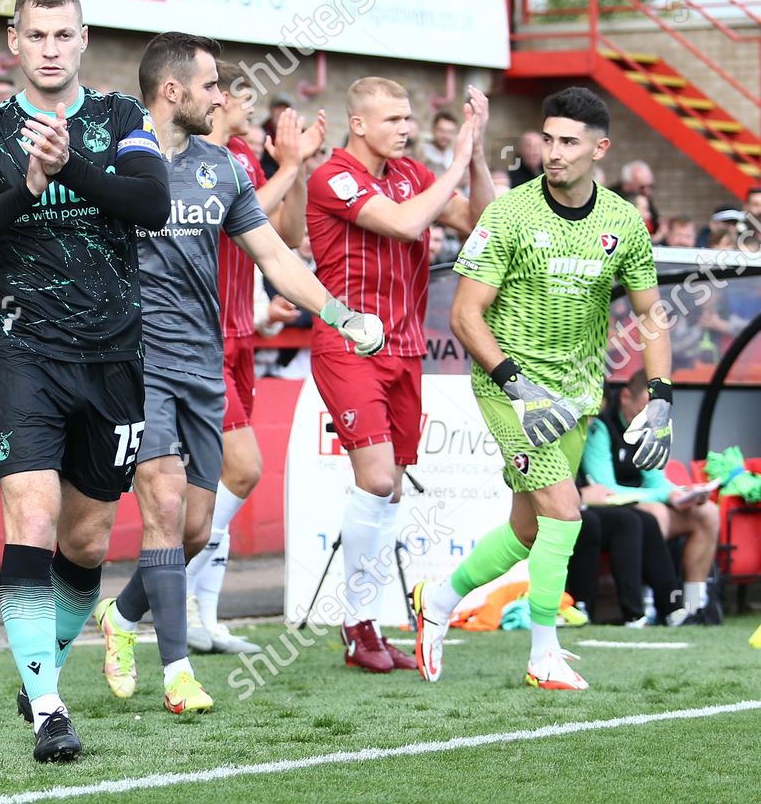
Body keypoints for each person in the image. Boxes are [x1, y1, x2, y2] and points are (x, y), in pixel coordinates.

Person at [96, 33, 383, 716]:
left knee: (196, 528)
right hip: (139, 366)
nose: (220, 97)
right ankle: (178, 673)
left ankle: (121, 614)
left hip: (205, 364)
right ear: (173, 92)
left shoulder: (222, 167)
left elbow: (277, 260)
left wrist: (340, 315)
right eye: (209, 87)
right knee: (163, 509)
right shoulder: (110, 163)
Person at [0, 0, 171, 763]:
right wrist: (24, 187)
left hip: (113, 355)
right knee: (29, 521)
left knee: (89, 542)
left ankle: (44, 671)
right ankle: (47, 708)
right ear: (15, 40)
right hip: (25, 350)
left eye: (63, 35)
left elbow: (151, 205)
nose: (50, 49)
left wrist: (66, 170)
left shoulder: (120, 118)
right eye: (37, 36)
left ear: (83, 39)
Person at [416, 87, 671, 691]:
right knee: (565, 510)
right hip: (510, 386)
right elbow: (465, 317)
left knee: (531, 531)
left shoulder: (623, 221)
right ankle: (543, 654)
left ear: (599, 148)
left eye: (569, 143)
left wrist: (660, 394)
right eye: (548, 139)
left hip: (578, 393)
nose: (553, 153)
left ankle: (439, 597)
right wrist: (518, 385)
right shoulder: (509, 213)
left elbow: (652, 314)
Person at [307, 78, 494, 674]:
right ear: (358, 124)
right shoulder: (332, 176)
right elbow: (407, 224)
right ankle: (359, 622)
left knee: (389, 489)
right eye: (393, 119)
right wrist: (456, 161)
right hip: (348, 343)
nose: (405, 128)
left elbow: (482, 221)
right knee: (378, 475)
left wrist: (480, 154)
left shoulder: (414, 172)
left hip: (407, 350)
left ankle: (369, 623)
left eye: (408, 118)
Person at [184, 59, 315, 656]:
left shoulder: (239, 159)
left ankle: (204, 618)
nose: (250, 108)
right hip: (199, 338)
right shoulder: (188, 160)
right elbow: (228, 220)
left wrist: (300, 168)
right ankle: (162, 595)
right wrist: (286, 166)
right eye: (241, 97)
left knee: (215, 482)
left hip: (241, 334)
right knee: (242, 469)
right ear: (215, 101)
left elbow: (284, 232)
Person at [582, 378, 717, 620]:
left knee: (708, 512)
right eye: (646, 404)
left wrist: (680, 493)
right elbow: (606, 490)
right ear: (625, 397)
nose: (650, 412)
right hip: (618, 509)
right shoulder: (600, 427)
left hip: (639, 503)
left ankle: (695, 604)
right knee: (656, 512)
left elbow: (657, 480)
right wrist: (664, 495)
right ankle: (651, 603)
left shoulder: (650, 428)